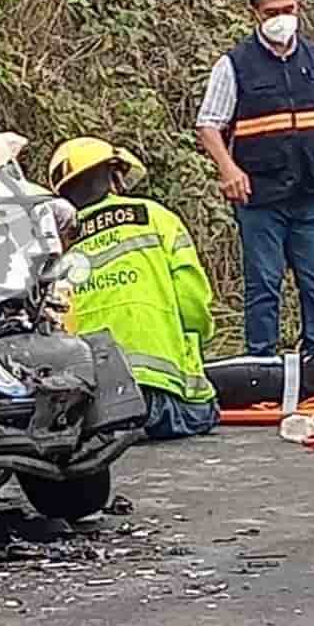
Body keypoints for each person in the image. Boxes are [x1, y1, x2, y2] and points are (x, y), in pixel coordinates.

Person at [194, 0, 314, 358]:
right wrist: (228, 169)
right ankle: (261, 362)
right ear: (255, 14)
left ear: (299, 5)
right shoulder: (234, 64)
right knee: (263, 284)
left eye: (288, 8)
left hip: (308, 192)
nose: (282, 17)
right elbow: (208, 125)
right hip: (260, 198)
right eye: (271, 12)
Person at [47, 136, 220, 439]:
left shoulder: (56, 244)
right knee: (207, 409)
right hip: (155, 395)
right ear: (114, 176)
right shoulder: (155, 217)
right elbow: (192, 304)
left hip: (91, 406)